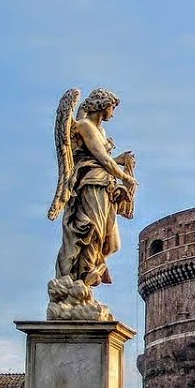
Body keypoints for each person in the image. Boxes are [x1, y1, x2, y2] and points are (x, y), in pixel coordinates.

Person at [48, 87, 138, 317]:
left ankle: (84, 283)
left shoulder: (99, 129)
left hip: (104, 188)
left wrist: (122, 161)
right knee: (91, 234)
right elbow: (101, 159)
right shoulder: (85, 126)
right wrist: (125, 177)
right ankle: (76, 287)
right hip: (90, 187)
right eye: (112, 107)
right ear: (102, 105)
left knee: (111, 244)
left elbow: (104, 158)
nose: (113, 113)